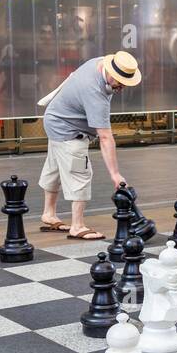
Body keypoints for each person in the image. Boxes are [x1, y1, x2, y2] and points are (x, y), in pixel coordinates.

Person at [37, 51, 141, 238]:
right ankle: (77, 226)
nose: (122, 87)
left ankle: (49, 214)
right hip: (69, 130)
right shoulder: (95, 92)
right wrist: (115, 174)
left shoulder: (98, 62)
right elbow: (106, 137)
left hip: (55, 120)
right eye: (119, 82)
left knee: (55, 167)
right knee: (80, 172)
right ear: (110, 72)